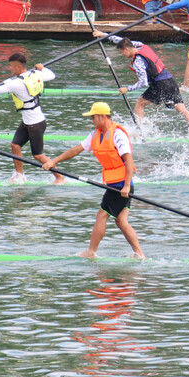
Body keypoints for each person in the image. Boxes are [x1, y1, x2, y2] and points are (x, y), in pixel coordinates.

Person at [41, 102, 144, 260]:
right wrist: (54, 161)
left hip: (121, 185)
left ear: (103, 116)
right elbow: (76, 149)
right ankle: (139, 254)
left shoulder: (117, 134)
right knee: (121, 221)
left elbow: (128, 161)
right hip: (114, 184)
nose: (92, 120)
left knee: (102, 215)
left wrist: (126, 186)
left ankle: (91, 251)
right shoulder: (96, 134)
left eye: (94, 117)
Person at [94, 32, 189, 139]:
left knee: (139, 104)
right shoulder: (140, 45)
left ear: (126, 49)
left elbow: (143, 82)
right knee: (182, 109)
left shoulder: (138, 62)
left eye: (122, 52)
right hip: (170, 81)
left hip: (159, 84)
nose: (122, 55)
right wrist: (103, 35)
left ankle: (138, 131)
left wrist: (127, 88)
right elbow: (121, 40)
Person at [0, 53, 62, 184]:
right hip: (28, 121)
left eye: (11, 66)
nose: (10, 69)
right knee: (15, 145)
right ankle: (19, 175)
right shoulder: (35, 75)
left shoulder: (16, 83)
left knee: (38, 155)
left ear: (18, 67)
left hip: (36, 123)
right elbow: (51, 75)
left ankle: (59, 177)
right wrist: (42, 68)